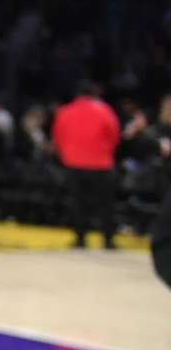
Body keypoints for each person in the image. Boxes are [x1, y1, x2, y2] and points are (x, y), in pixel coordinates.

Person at [53, 80, 121, 248]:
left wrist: (67, 155)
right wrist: (106, 153)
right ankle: (108, 240)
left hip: (74, 163)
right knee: (106, 205)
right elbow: (114, 136)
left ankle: (80, 239)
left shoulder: (65, 111)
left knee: (78, 204)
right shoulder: (105, 110)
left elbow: (58, 137)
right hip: (101, 164)